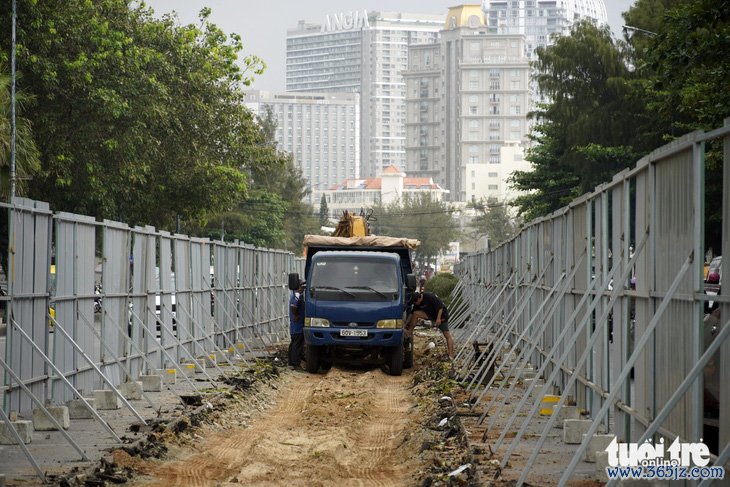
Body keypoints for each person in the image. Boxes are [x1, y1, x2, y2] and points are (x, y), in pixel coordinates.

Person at [406, 291, 455, 358]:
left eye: (415, 302)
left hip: (441, 316)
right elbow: (412, 313)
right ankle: (410, 331)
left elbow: (440, 307)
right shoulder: (417, 304)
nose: (415, 304)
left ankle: (451, 354)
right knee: (415, 313)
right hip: (431, 315)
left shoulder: (429, 297)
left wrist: (438, 319)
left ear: (419, 298)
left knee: (447, 335)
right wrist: (406, 323)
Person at [288, 280, 305, 369]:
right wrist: (296, 315)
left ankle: (291, 362)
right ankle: (295, 363)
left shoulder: (295, 295)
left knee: (293, 343)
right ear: (298, 287)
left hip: (295, 325)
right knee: (297, 344)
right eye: (302, 286)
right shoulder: (297, 295)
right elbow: (293, 306)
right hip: (297, 324)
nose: (303, 289)